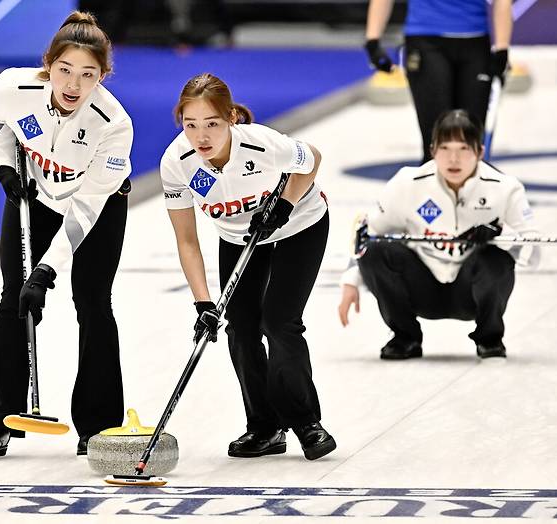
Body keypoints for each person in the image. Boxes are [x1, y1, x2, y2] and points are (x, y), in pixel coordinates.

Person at [0, 11, 133, 460]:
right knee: (11, 299)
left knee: (94, 305)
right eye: (64, 70)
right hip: (33, 195)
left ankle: (98, 427)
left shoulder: (112, 124)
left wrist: (45, 272)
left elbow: (84, 211)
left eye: (88, 74)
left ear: (103, 75)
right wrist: (3, 167)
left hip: (97, 206)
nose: (74, 85)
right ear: (48, 65)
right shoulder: (12, 87)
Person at [159, 73, 336, 461]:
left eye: (212, 124)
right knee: (240, 328)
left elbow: (313, 158)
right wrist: (202, 303)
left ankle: (306, 421)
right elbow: (186, 240)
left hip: (299, 227)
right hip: (240, 239)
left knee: (279, 321)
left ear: (231, 118)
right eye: (190, 125)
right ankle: (264, 427)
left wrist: (285, 204)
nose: (201, 136)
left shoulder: (260, 142)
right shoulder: (177, 163)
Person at [338, 109, 539, 360]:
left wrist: (500, 234)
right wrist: (349, 282)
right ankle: (405, 337)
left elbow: (533, 255)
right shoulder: (407, 183)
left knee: (496, 258)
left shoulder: (506, 188)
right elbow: (368, 235)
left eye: (464, 149)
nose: (453, 159)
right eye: (445, 148)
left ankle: (490, 338)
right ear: (432, 150)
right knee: (377, 251)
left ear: (480, 152)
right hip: (422, 288)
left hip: (471, 290)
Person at [364, 0, 513, 162]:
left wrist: (502, 48)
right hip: (425, 39)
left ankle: (471, 186)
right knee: (436, 139)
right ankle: (431, 184)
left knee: (471, 141)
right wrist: (373, 40)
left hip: (475, 42)